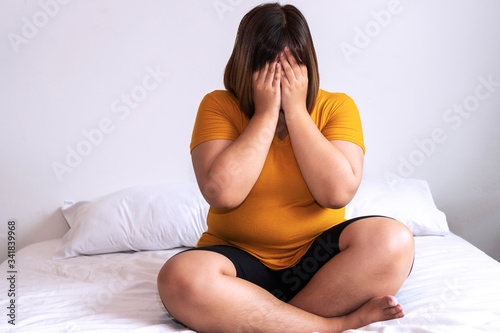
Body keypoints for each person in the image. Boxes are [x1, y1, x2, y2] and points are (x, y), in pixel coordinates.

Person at [157, 3, 414, 332]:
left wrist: (295, 111)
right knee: (180, 278)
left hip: (321, 268)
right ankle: (330, 326)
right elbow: (223, 194)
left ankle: (276, 321)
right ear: (246, 64)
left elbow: (336, 193)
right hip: (237, 263)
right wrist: (265, 115)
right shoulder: (218, 105)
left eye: (291, 68)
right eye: (268, 68)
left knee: (395, 240)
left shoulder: (337, 106)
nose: (280, 79)